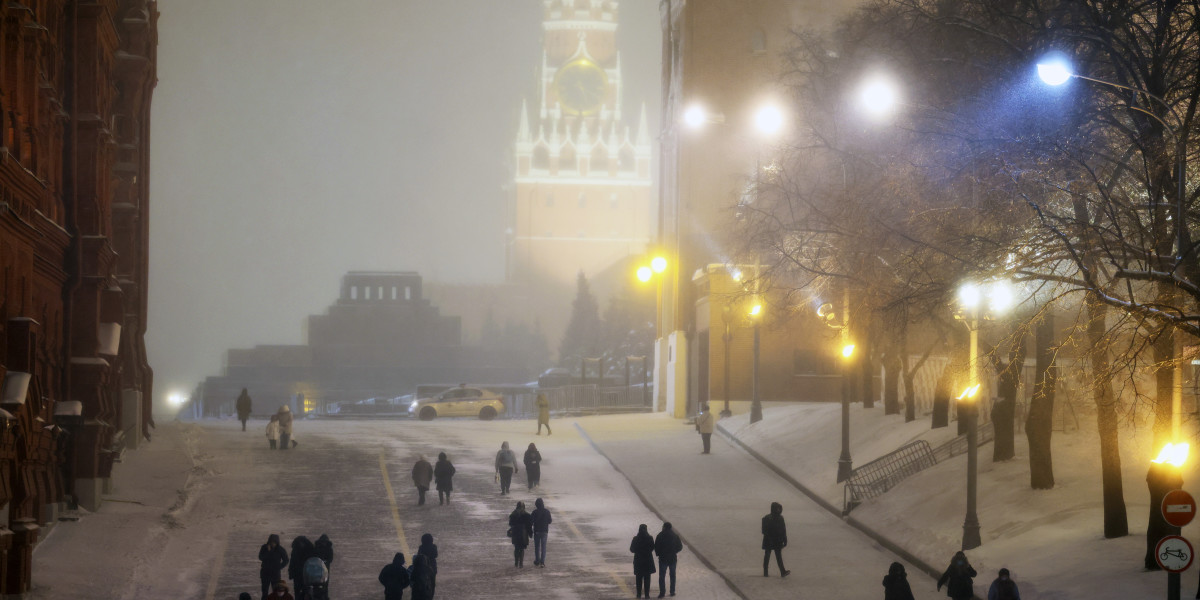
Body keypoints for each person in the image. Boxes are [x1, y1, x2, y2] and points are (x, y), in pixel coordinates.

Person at [654, 522, 683, 598]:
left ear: (664, 527)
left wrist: (659, 554)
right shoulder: (675, 535)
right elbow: (680, 547)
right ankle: (672, 591)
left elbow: (656, 546)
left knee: (662, 576)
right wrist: (674, 551)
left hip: (663, 558)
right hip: (672, 558)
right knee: (673, 575)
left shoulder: (660, 535)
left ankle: (662, 593)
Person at [761, 501, 790, 577]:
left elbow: (783, 530)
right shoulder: (769, 518)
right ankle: (768, 572)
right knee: (770, 555)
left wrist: (785, 539)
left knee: (773, 556)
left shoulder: (776, 518)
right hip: (773, 539)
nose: (779, 510)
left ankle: (780, 571)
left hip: (773, 540)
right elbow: (764, 530)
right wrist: (784, 539)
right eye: (777, 509)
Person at [258, 534, 289, 600]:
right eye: (271, 542)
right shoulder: (264, 547)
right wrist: (268, 551)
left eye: (274, 542)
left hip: (275, 574)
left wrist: (279, 567)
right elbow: (261, 557)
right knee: (264, 593)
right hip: (265, 573)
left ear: (277, 542)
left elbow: (286, 560)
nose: (272, 544)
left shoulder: (280, 549)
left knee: (276, 593)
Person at [630, 524, 657, 599]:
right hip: (647, 561)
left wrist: (638, 550)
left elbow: (632, 549)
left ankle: (638, 594)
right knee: (647, 579)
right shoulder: (650, 538)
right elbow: (652, 548)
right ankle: (647, 595)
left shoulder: (635, 539)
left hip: (638, 561)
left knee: (638, 579)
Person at [508, 500, 533, 567]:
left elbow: (510, 524)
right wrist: (530, 533)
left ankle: (516, 562)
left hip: (515, 533)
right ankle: (521, 563)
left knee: (516, 548)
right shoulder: (527, 515)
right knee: (522, 549)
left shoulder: (513, 514)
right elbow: (529, 526)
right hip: (523, 534)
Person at [531, 497, 552, 567]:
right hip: (544, 531)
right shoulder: (547, 512)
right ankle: (542, 562)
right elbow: (550, 521)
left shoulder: (534, 512)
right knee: (543, 547)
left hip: (537, 531)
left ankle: (537, 560)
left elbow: (531, 521)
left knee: (537, 547)